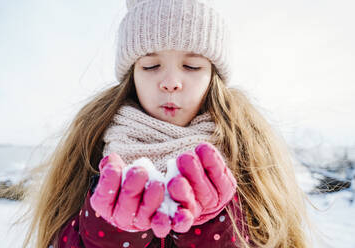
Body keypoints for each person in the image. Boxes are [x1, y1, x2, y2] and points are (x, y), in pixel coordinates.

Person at [20, 0, 314, 247]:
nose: (171, 82)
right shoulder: (91, 139)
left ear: (213, 74)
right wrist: (110, 232)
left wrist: (212, 227)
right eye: (150, 66)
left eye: (192, 66)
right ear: (132, 74)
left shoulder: (247, 143)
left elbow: (278, 237)